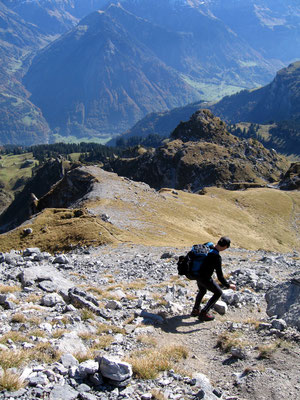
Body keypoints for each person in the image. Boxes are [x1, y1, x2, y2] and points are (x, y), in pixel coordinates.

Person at [191, 236, 236, 322]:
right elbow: (220, 276)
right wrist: (228, 285)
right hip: (205, 278)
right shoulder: (216, 257)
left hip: (197, 275)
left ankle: (195, 310)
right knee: (218, 292)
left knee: (202, 291)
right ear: (225, 246)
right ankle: (203, 313)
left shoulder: (208, 245)